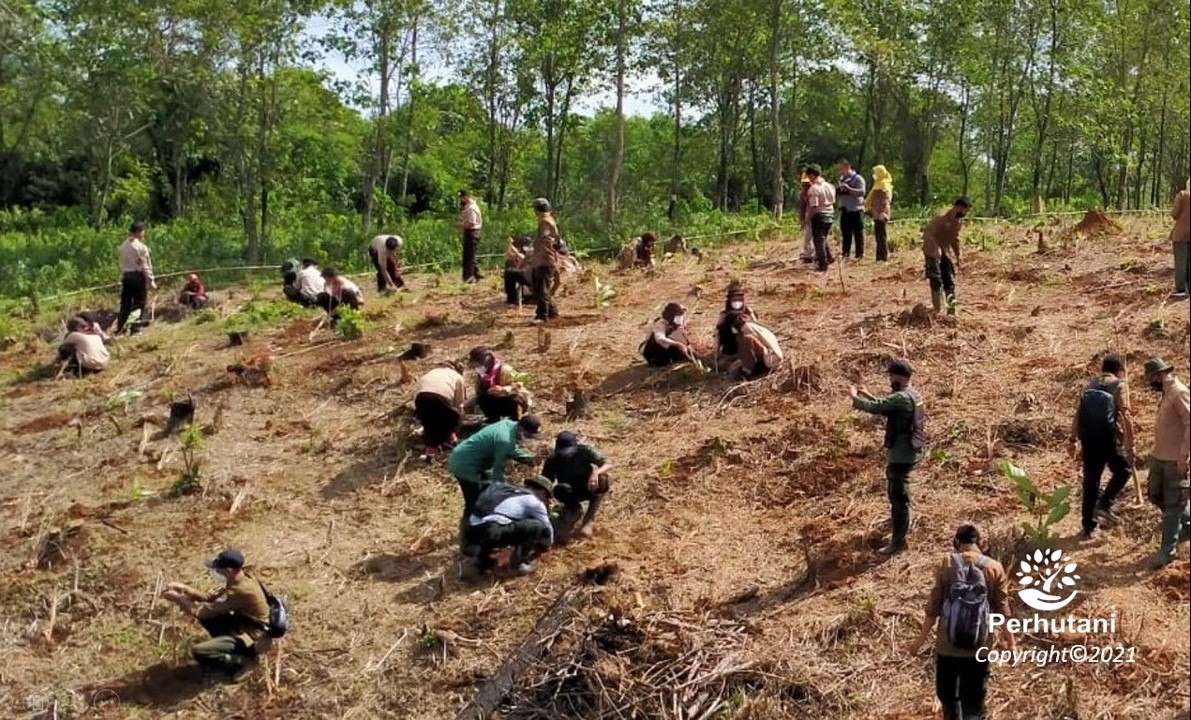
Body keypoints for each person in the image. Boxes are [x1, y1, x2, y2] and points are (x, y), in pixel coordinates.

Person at [908, 523, 1016, 720]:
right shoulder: (994, 567)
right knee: (974, 702)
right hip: (979, 647)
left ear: (956, 542)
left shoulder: (946, 564)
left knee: (949, 698)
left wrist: (919, 640)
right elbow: (1003, 611)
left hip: (947, 646)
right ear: (981, 543)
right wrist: (1011, 644)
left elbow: (933, 608)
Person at [849, 359, 926, 554]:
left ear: (898, 377)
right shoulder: (913, 394)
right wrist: (866, 393)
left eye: (891, 376)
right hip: (911, 451)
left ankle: (898, 542)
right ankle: (899, 533)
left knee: (898, 498)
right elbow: (887, 406)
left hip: (900, 454)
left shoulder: (900, 397)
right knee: (901, 494)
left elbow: (877, 408)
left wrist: (854, 398)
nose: (889, 380)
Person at [161, 548, 270, 683]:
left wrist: (179, 600)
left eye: (219, 569)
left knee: (200, 651)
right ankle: (227, 646)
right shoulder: (242, 578)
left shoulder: (240, 590)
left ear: (229, 570)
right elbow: (211, 598)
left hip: (253, 640)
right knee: (210, 617)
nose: (217, 572)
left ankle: (243, 662)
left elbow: (201, 612)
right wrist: (185, 589)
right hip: (244, 625)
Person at [1067, 354, 1135, 538]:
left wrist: (1072, 440)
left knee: (1091, 481)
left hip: (1088, 440)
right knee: (1123, 471)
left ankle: (1088, 526)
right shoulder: (1120, 385)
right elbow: (1126, 416)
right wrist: (1131, 443)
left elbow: (1077, 414)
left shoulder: (1091, 385)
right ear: (1120, 370)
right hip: (1107, 439)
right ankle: (1104, 503)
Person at [447, 415, 543, 534]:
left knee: (485, 495)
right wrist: (503, 493)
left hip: (470, 458)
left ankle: (479, 527)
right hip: (465, 465)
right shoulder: (504, 439)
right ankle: (468, 533)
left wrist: (529, 459)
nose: (529, 439)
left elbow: (510, 449)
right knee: (475, 501)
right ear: (522, 430)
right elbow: (498, 472)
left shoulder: (509, 425)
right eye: (529, 436)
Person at [1142, 357, 1190, 568]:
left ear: (1159, 376)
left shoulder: (1180, 392)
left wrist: (1183, 456)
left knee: (1172, 504)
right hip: (1159, 456)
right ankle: (1187, 520)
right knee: (1155, 495)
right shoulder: (1166, 394)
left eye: (1151, 379)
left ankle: (1167, 551)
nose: (1150, 383)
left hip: (1174, 460)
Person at [462, 477, 554, 574]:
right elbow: (546, 527)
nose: (545, 501)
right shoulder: (534, 501)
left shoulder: (508, 491)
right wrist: (547, 544)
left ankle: (482, 559)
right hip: (491, 531)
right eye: (546, 497)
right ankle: (517, 565)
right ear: (543, 491)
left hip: (470, 530)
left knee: (495, 523)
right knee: (536, 525)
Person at [542, 431, 612, 542]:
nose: (566, 454)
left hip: (588, 486)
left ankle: (589, 519)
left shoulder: (585, 451)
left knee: (603, 479)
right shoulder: (553, 459)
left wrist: (596, 473)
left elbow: (608, 463)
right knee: (559, 489)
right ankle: (572, 512)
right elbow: (545, 484)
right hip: (570, 491)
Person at [922, 197, 970, 315]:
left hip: (944, 252)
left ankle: (951, 311)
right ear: (958, 207)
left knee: (949, 281)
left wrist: (958, 256)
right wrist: (935, 248)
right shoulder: (941, 217)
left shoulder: (958, 222)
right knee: (936, 279)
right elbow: (927, 233)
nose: (965, 214)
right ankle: (937, 310)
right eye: (964, 210)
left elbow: (954, 239)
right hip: (931, 251)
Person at [414, 361, 467, 456]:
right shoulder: (457, 376)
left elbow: (416, 393)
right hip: (441, 397)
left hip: (421, 398)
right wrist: (459, 417)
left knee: (429, 424)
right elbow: (459, 403)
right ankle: (453, 439)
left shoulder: (429, 373)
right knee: (452, 418)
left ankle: (430, 451)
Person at [468, 346, 532, 422]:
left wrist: (505, 389)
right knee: (482, 399)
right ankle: (493, 420)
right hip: (496, 402)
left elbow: (520, 388)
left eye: (478, 365)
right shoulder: (481, 375)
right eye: (475, 366)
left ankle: (516, 422)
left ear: (485, 363)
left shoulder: (505, 370)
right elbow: (478, 393)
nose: (476, 368)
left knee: (515, 401)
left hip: (511, 402)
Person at [115, 221, 155, 334]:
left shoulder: (123, 246)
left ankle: (120, 329)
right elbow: (145, 265)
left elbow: (121, 263)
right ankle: (135, 329)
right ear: (139, 232)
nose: (143, 234)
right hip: (138, 277)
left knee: (125, 304)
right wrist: (151, 280)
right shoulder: (141, 247)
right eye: (143, 231)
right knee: (139, 303)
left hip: (126, 277)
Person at [530, 197, 561, 323]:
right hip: (545, 259)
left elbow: (545, 239)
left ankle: (542, 316)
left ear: (538, 209)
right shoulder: (549, 220)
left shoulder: (545, 222)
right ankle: (552, 311)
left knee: (541, 288)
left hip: (545, 259)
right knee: (543, 287)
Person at [727, 315, 783, 379]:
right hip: (773, 357)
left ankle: (747, 370)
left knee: (748, 339)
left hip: (771, 358)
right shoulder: (751, 326)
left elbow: (748, 347)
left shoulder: (746, 328)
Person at [641, 302, 694, 367]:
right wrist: (678, 344)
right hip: (653, 354)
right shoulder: (660, 324)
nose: (681, 317)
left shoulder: (675, 325)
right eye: (678, 315)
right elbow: (660, 339)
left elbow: (684, 341)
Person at [715, 282, 759, 358]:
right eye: (734, 299)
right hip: (730, 350)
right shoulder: (724, 315)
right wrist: (716, 353)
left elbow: (757, 329)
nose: (737, 302)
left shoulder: (749, 312)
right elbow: (717, 335)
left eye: (739, 299)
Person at [805, 165, 836, 271]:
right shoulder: (829, 186)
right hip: (830, 214)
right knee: (823, 238)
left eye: (809, 176)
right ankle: (829, 257)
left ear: (812, 175)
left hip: (819, 216)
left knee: (818, 240)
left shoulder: (814, 189)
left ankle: (823, 264)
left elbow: (814, 206)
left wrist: (808, 218)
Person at [836, 158, 867, 260]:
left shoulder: (858, 179)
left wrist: (849, 189)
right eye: (839, 169)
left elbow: (861, 192)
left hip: (856, 209)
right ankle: (845, 254)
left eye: (842, 169)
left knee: (858, 233)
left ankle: (859, 255)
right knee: (846, 233)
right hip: (845, 209)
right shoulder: (841, 179)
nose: (840, 171)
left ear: (848, 167)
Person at [864, 165, 893, 262]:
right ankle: (879, 257)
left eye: (876, 173)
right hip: (877, 213)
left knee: (882, 236)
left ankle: (883, 258)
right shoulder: (878, 184)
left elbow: (885, 201)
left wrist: (882, 213)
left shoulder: (883, 185)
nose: (874, 175)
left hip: (881, 214)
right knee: (879, 236)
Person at [458, 189, 484, 282]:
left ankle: (469, 277)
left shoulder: (471, 208)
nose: (461, 200)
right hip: (473, 232)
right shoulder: (471, 206)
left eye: (461, 198)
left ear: (465, 197)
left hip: (472, 232)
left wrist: (459, 225)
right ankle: (477, 274)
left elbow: (471, 223)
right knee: (472, 255)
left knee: (469, 256)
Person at [1170, 179, 1189, 299]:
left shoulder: (1183, 195)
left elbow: (1174, 213)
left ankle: (1181, 289)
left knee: (1181, 262)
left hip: (1181, 234)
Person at [504, 237, 535, 305]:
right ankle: (512, 298)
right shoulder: (530, 252)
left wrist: (510, 245)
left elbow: (518, 255)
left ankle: (511, 299)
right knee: (510, 271)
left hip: (531, 276)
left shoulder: (531, 252)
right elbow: (513, 254)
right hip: (530, 275)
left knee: (509, 272)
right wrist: (509, 245)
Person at [798, 172, 815, 263]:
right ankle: (808, 255)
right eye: (804, 185)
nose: (806, 186)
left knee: (817, 237)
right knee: (807, 237)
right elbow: (802, 207)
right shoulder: (803, 194)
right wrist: (802, 220)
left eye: (807, 184)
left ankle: (816, 255)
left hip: (817, 216)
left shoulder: (815, 191)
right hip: (808, 216)